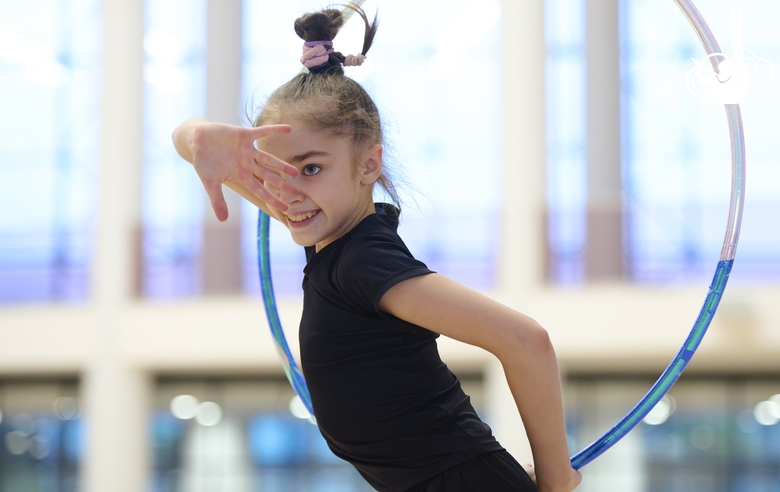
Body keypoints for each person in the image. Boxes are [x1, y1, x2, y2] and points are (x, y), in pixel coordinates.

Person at [172, 6, 582, 492]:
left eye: (310, 168)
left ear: (368, 166)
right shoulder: (326, 232)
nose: (285, 193)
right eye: (273, 172)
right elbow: (187, 143)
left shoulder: (363, 259)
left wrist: (557, 481)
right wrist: (199, 137)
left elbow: (525, 341)